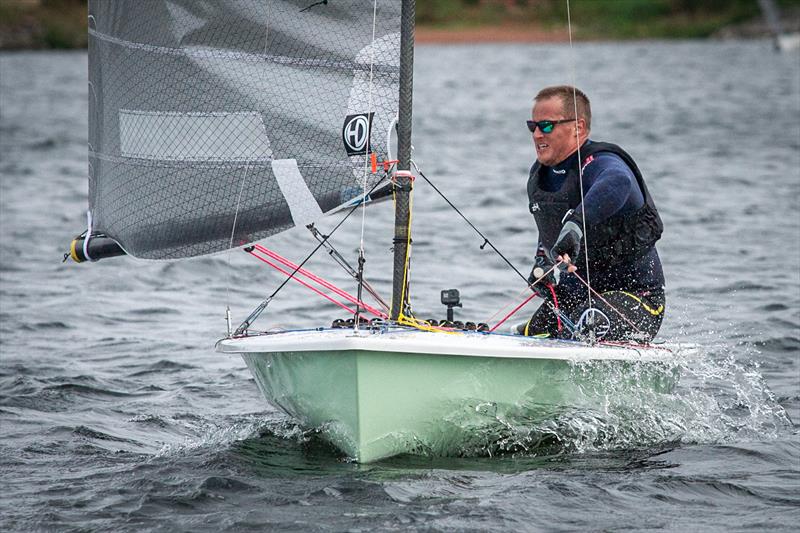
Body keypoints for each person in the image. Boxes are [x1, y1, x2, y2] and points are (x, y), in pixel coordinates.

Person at [519, 85, 665, 342]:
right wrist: (543, 262)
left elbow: (618, 182)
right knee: (533, 333)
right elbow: (550, 232)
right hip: (575, 299)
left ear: (578, 127)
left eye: (547, 125)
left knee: (587, 325)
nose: (537, 134)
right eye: (533, 126)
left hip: (636, 301)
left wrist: (576, 224)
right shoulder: (540, 178)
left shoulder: (600, 164)